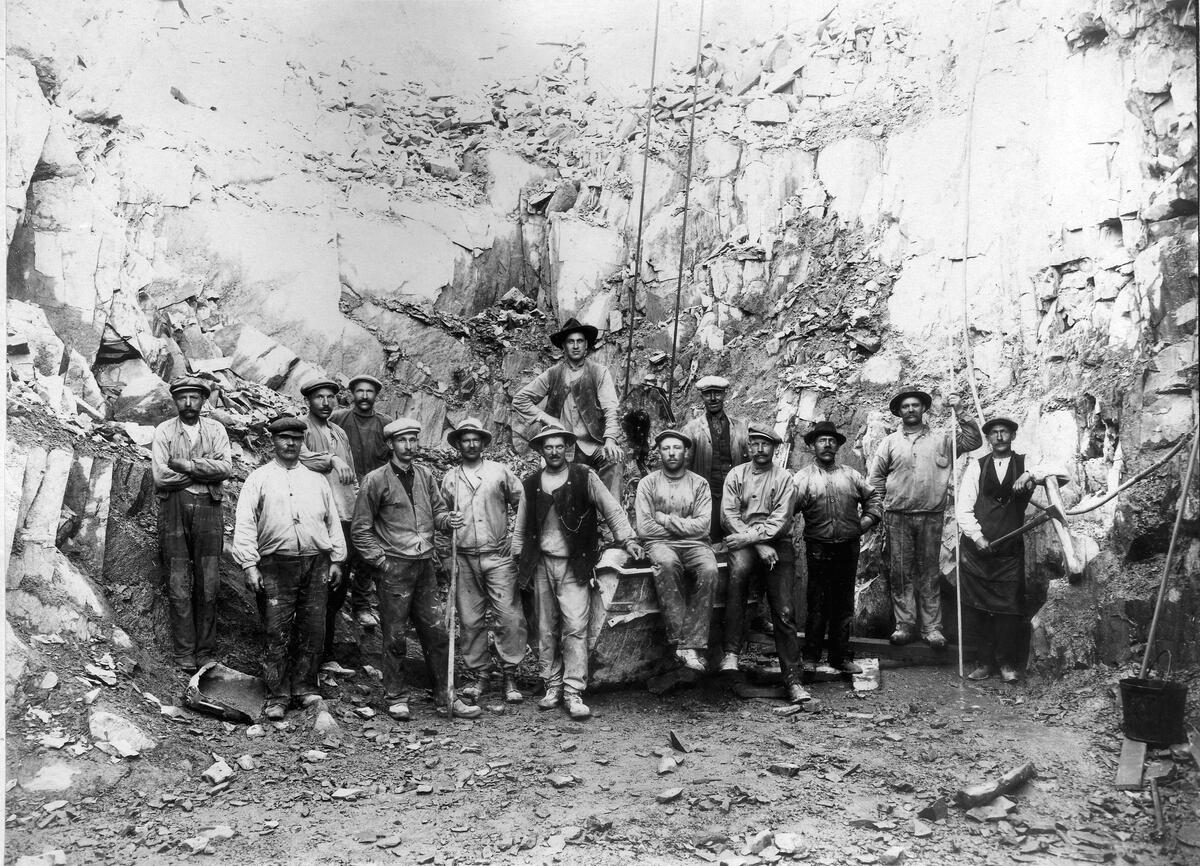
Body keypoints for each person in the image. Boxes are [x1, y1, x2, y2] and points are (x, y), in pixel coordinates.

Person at [511, 425, 644, 720]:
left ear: (567, 448)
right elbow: (521, 528)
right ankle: (552, 685)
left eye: (560, 446)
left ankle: (573, 690)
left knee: (574, 626)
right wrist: (517, 559)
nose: (555, 452)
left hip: (574, 564)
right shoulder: (531, 483)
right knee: (545, 627)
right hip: (541, 564)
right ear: (540, 450)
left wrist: (629, 539)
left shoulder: (585, 476)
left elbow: (612, 510)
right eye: (549, 447)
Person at [352, 417, 481, 720]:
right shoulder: (376, 480)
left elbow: (437, 512)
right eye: (402, 441)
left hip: (425, 566)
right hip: (394, 567)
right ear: (390, 445)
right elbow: (360, 529)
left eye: (413, 440)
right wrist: (380, 560)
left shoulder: (424, 476)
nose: (409, 446)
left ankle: (445, 696)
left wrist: (448, 520)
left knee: (437, 632)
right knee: (395, 635)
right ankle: (396, 696)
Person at [231, 417, 346, 720]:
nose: (291, 444)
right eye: (285, 438)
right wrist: (249, 564)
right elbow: (244, 524)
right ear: (274, 441)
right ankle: (277, 694)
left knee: (313, 626)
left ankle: (305, 687)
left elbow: (332, 521)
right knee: (276, 629)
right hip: (275, 563)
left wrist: (336, 559)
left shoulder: (316, 479)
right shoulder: (259, 478)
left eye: (296, 438)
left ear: (302, 441)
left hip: (316, 561)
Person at [867, 388, 981, 649]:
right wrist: (875, 510)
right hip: (898, 517)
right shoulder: (889, 443)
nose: (910, 410)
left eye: (915, 405)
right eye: (905, 406)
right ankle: (905, 625)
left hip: (931, 516)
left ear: (923, 409)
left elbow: (974, 441)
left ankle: (932, 628)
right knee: (901, 573)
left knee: (929, 572)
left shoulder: (942, 440)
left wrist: (960, 410)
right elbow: (876, 480)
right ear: (899, 411)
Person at [441, 417, 527, 704]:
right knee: (470, 620)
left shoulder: (499, 472)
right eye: (465, 439)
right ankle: (480, 676)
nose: (471, 443)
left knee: (509, 617)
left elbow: (522, 503)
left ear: (483, 442)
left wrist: (516, 540)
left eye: (476, 438)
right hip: (464, 558)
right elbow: (439, 515)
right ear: (458, 445)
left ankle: (510, 675)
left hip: (498, 557)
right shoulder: (450, 477)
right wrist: (446, 521)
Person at [151, 375, 232, 673]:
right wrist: (204, 472)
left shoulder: (216, 430)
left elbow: (226, 468)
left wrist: (186, 465)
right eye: (182, 398)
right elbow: (160, 476)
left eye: (194, 398)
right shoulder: (164, 431)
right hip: (173, 509)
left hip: (209, 509)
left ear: (203, 400)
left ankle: (205, 651)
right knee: (177, 579)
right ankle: (184, 651)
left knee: (209, 580)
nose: (188, 403)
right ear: (175, 401)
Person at [721, 424, 806, 702]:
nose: (759, 450)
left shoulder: (785, 478)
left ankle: (793, 680)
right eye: (754, 444)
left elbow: (781, 521)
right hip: (745, 542)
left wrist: (756, 539)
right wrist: (755, 543)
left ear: (774, 448)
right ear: (748, 447)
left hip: (776, 542)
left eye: (765, 445)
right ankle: (731, 655)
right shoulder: (736, 474)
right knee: (738, 576)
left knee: (783, 609)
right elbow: (728, 516)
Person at [793, 421, 883, 676]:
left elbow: (874, 498)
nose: (828, 444)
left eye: (832, 440)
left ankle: (840, 657)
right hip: (818, 548)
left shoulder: (851, 475)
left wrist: (864, 523)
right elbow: (788, 510)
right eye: (822, 440)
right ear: (813, 446)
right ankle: (810, 657)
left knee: (843, 604)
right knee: (818, 602)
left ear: (838, 446)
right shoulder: (802, 478)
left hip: (848, 547)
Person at [956, 417, 1036, 683]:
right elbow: (963, 508)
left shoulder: (1026, 463)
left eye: (1005, 432)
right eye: (994, 433)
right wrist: (977, 538)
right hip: (978, 549)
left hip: (1009, 550)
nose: (999, 436)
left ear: (1013, 436)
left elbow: (1060, 473)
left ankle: (1006, 664)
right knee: (978, 609)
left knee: (1010, 608)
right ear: (988, 438)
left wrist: (1030, 475)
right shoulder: (976, 467)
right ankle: (983, 662)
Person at [634, 430, 718, 673]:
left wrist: (665, 520)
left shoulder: (699, 484)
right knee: (667, 564)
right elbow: (645, 528)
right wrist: (682, 527)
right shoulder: (648, 483)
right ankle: (684, 646)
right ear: (659, 452)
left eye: (677, 448)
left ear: (686, 451)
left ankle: (688, 644)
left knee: (710, 569)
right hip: (659, 545)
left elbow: (703, 526)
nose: (672, 453)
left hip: (696, 545)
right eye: (666, 448)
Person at [511, 318, 624, 499]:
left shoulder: (598, 372)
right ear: (564, 346)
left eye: (580, 341)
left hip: (592, 444)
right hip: (562, 446)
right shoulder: (553, 374)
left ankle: (608, 521)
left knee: (613, 458)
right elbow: (520, 399)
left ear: (586, 344)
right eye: (571, 342)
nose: (576, 346)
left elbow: (611, 409)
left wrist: (610, 439)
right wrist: (547, 419)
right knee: (559, 495)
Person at [297, 377, 359, 664]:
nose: (325, 403)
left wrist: (358, 509)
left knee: (337, 586)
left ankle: (327, 654)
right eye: (319, 397)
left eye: (330, 397)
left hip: (343, 516)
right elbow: (303, 458)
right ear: (308, 401)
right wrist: (332, 459)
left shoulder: (339, 432)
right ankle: (309, 656)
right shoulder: (300, 428)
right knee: (314, 588)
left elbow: (352, 477)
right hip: (315, 518)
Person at [331, 373, 394, 630]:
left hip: (375, 497)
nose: (364, 396)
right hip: (343, 494)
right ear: (352, 394)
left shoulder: (386, 424)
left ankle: (362, 605)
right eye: (360, 391)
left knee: (369, 551)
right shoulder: (338, 419)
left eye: (370, 392)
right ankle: (334, 602)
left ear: (376, 396)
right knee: (342, 548)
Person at [682, 376, 750, 541]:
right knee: (707, 540)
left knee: (735, 541)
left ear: (725, 394)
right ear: (702, 397)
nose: (713, 398)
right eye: (707, 394)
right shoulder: (691, 429)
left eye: (717, 393)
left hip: (735, 498)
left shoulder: (741, 427)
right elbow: (684, 469)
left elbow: (751, 465)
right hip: (705, 498)